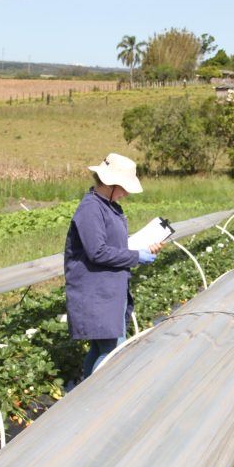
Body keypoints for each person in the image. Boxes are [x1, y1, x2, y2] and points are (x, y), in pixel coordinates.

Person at [64, 152, 163, 383]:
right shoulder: (91, 208)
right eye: (124, 187)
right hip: (96, 291)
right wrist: (136, 256)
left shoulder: (109, 205)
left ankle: (82, 397)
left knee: (100, 349)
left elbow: (113, 244)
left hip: (110, 289)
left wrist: (141, 248)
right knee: (112, 351)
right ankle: (93, 399)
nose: (127, 193)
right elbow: (96, 251)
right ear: (109, 183)